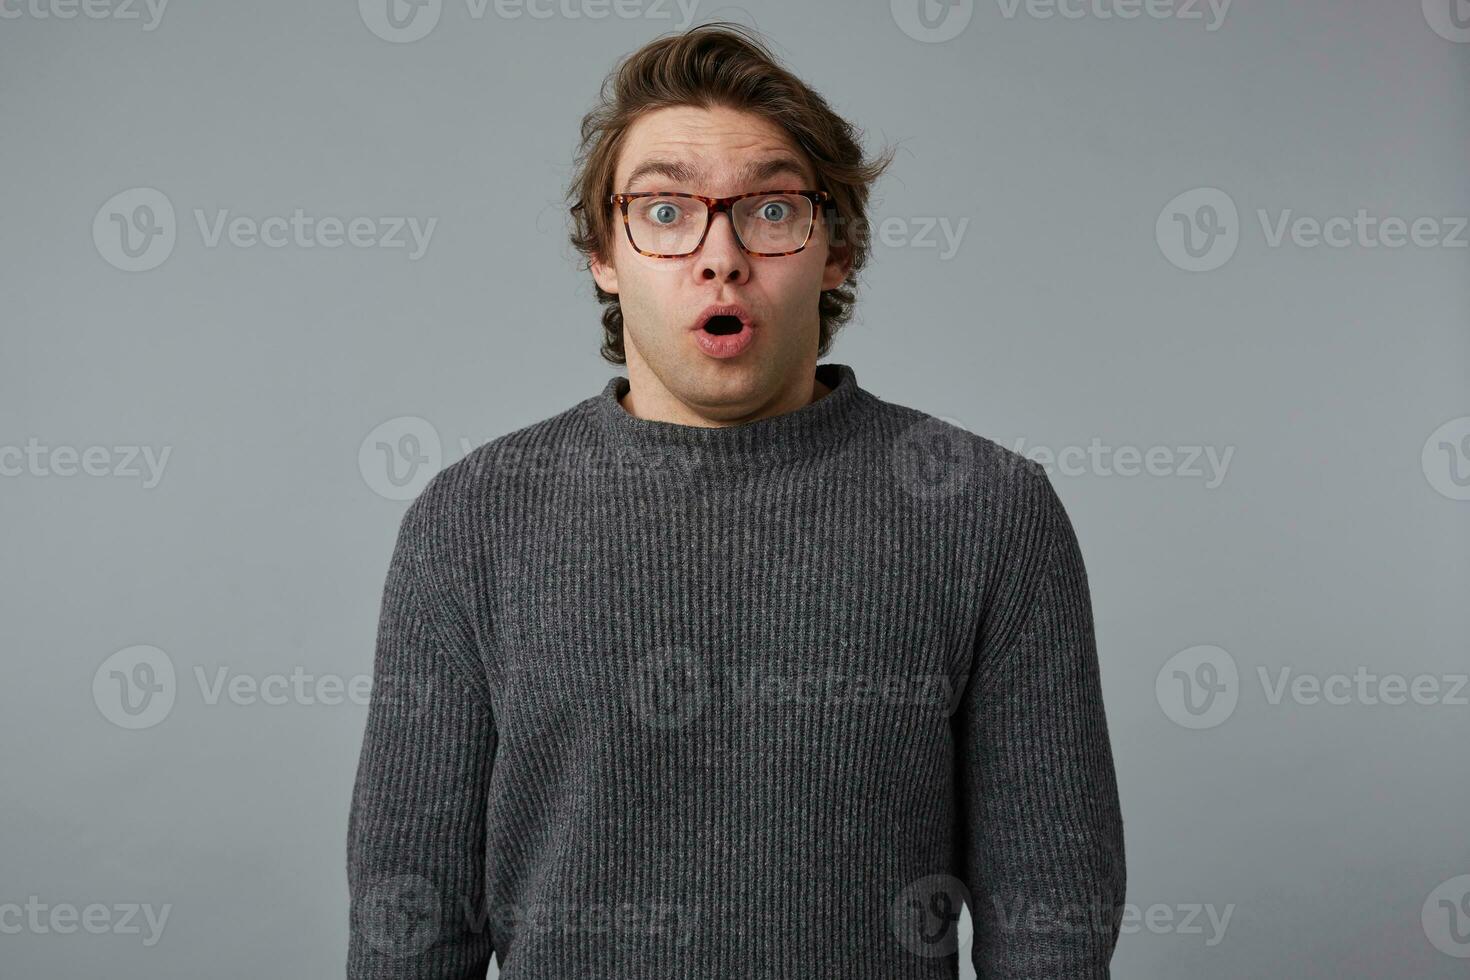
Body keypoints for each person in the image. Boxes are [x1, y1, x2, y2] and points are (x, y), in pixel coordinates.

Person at [347, 22, 1125, 979]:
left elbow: (1051, 922)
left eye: (769, 210)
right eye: (666, 211)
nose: (719, 255)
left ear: (835, 252)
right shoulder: (468, 522)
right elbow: (409, 930)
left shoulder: (989, 512)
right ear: (604, 253)